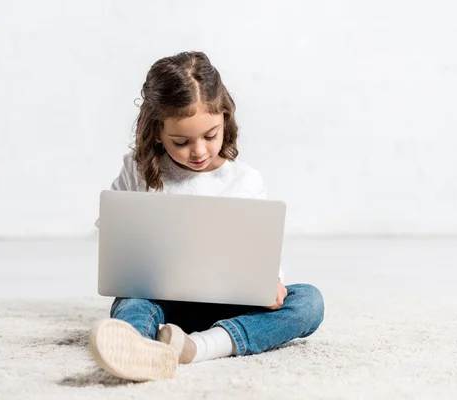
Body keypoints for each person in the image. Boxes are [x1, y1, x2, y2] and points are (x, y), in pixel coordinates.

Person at [89, 51, 324, 381]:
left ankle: (199, 347)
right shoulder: (137, 170)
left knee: (309, 302)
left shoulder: (246, 179)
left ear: (225, 119)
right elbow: (113, 235)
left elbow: (264, 251)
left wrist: (273, 281)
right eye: (181, 141)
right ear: (157, 132)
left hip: (230, 305)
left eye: (210, 135)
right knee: (131, 303)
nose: (199, 151)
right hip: (161, 301)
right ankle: (132, 348)